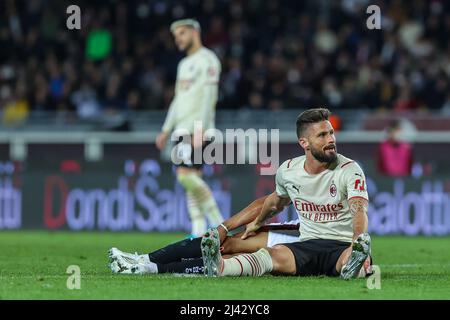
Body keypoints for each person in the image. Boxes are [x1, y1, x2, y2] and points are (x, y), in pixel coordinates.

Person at [201, 108, 371, 280]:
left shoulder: (350, 170)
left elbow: (359, 210)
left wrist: (356, 241)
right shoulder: (289, 171)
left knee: (350, 261)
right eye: (322, 135)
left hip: (343, 244)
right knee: (271, 255)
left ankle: (354, 262)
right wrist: (258, 222)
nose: (330, 139)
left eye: (331, 133)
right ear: (304, 143)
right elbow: (275, 202)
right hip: (308, 244)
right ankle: (221, 267)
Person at [155, 19, 224, 237]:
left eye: (182, 34)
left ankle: (221, 226)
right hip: (181, 130)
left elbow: (209, 96)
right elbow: (178, 98)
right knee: (191, 181)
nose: (178, 40)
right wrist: (166, 129)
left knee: (184, 176)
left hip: (196, 130)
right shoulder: (183, 65)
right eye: (176, 36)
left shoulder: (208, 60)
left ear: (195, 32)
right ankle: (198, 232)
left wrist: (199, 128)